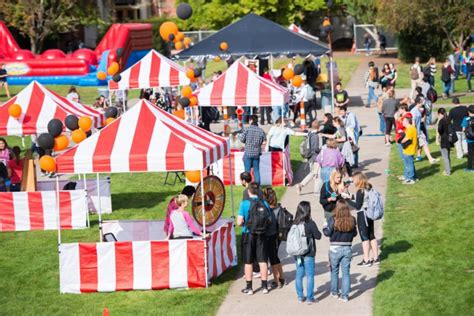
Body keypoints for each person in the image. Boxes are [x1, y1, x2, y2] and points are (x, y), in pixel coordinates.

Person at [238, 182, 271, 295]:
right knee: (262, 260)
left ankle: (249, 287)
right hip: (261, 234)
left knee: (248, 261)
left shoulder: (244, 204)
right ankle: (264, 286)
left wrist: (245, 224)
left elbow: (239, 222)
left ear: (248, 191)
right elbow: (269, 219)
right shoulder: (265, 203)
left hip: (248, 234)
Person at [323, 200, 357, 302]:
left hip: (334, 249)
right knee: (346, 272)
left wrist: (325, 225)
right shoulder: (352, 220)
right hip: (347, 248)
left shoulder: (332, 219)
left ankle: (334, 292)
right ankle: (345, 295)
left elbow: (327, 233)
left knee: (334, 272)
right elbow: (355, 233)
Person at [344, 172, 379, 266]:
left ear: (358, 180)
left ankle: (366, 260)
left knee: (364, 237)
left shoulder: (360, 191)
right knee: (372, 235)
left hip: (362, 215)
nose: (353, 181)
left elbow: (358, 205)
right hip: (370, 214)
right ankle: (376, 258)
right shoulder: (368, 187)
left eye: (354, 179)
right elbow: (362, 199)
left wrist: (347, 200)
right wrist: (351, 196)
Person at [292, 201, 321, 304]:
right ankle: (310, 298)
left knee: (299, 274)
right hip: (309, 253)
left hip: (298, 253)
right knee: (309, 275)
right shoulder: (310, 223)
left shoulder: (294, 223)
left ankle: (300, 296)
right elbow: (318, 236)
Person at [262, 188, 285, 289]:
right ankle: (281, 277)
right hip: (277, 235)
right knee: (275, 257)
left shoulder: (268, 209)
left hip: (270, 236)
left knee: (273, 259)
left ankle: (277, 280)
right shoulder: (278, 207)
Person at [411, 97, 438, 163]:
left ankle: (430, 159)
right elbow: (413, 123)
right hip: (416, 132)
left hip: (419, 132)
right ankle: (411, 158)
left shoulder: (418, 110)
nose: (423, 103)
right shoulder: (414, 111)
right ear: (418, 103)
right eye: (421, 102)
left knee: (424, 144)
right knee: (414, 146)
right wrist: (415, 133)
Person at [240, 115, 266, 184]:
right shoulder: (261, 131)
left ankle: (248, 186)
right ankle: (257, 186)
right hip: (256, 153)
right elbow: (264, 142)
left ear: (251, 120)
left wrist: (247, 142)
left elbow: (241, 139)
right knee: (256, 171)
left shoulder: (247, 129)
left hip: (248, 152)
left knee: (247, 171)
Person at [298, 121, 322, 194]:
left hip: (310, 157)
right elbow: (317, 148)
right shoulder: (316, 136)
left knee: (312, 173)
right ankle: (316, 191)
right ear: (319, 127)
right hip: (316, 157)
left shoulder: (309, 134)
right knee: (318, 175)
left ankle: (301, 185)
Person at [399, 115, 418, 184]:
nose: (402, 122)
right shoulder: (410, 128)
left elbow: (407, 138)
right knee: (410, 164)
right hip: (409, 149)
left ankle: (410, 179)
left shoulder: (410, 129)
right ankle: (414, 177)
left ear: (407, 122)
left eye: (403, 121)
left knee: (409, 164)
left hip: (409, 149)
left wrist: (400, 141)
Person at [437, 108, 453, 176]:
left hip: (444, 139)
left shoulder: (441, 121)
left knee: (445, 156)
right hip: (449, 139)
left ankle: (448, 171)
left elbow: (439, 130)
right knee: (448, 155)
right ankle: (448, 168)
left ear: (440, 114)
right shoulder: (448, 119)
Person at [461, 105, 474, 172]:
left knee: (470, 154)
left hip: (470, 139)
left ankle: (470, 168)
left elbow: (463, 129)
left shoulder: (466, 119)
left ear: (468, 112)